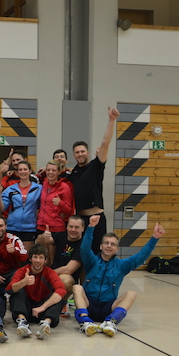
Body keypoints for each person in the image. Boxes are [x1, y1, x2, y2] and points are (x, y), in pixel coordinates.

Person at [72, 215, 164, 337]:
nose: (109, 246)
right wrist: (91, 227)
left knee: (132, 293)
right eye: (106, 243)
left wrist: (154, 238)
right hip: (89, 304)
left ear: (116, 249)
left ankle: (110, 322)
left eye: (112, 244)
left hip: (108, 307)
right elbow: (84, 248)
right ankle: (85, 322)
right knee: (77, 288)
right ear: (101, 246)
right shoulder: (92, 261)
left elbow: (140, 257)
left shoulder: (122, 265)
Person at [67, 106, 119, 253]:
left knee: (97, 253)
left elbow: (105, 142)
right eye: (77, 152)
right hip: (80, 220)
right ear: (74, 155)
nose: (80, 154)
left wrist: (111, 120)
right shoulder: (74, 172)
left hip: (96, 218)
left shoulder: (95, 166)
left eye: (82, 151)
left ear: (88, 152)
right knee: (82, 254)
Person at [7, 244, 66, 340]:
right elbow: (9, 289)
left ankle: (46, 324)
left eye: (41, 257)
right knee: (17, 292)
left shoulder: (50, 272)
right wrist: (24, 282)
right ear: (30, 258)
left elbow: (61, 290)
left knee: (57, 296)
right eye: (35, 257)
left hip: (43, 309)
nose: (38, 261)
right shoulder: (22, 271)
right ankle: (23, 322)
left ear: (45, 260)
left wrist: (42, 307)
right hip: (26, 308)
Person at [0, 161, 42, 251]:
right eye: (20, 170)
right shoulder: (10, 189)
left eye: (25, 169)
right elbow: (2, 208)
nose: (23, 172)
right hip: (12, 227)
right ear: (17, 172)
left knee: (25, 256)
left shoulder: (38, 188)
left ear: (30, 171)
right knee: (12, 257)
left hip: (30, 228)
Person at [36, 160, 74, 262]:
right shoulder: (43, 184)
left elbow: (69, 211)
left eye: (53, 170)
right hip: (41, 226)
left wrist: (60, 203)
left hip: (56, 228)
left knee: (52, 262)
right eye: (48, 170)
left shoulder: (64, 187)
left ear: (58, 172)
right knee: (40, 260)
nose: (50, 172)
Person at [49, 215, 85, 302]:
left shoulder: (83, 246)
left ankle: (62, 304)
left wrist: (47, 273)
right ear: (67, 227)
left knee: (64, 279)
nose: (73, 230)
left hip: (69, 278)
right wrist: (43, 238)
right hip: (53, 273)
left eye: (77, 227)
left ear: (82, 228)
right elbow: (43, 241)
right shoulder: (61, 235)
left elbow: (69, 270)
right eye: (71, 226)